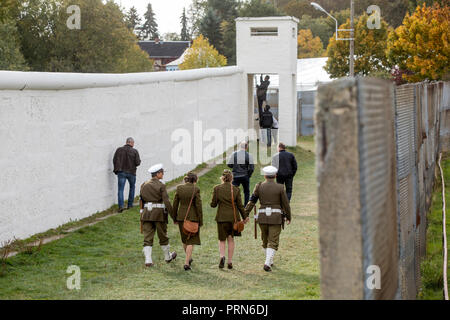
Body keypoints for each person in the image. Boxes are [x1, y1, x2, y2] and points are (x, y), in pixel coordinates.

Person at [244, 166, 292, 272]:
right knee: (273, 241)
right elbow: (286, 204)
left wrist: (245, 214)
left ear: (265, 175)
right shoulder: (280, 187)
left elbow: (252, 201)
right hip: (276, 218)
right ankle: (267, 263)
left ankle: (269, 261)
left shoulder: (259, 186)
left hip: (262, 217)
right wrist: (288, 216)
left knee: (265, 240)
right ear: (275, 176)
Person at [140, 164, 177, 267]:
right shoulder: (161, 185)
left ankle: (148, 260)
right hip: (159, 214)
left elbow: (142, 200)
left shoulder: (144, 184)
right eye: (162, 172)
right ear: (158, 174)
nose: (163, 174)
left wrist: (141, 213)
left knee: (147, 237)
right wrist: (173, 216)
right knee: (163, 236)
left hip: (146, 214)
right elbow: (167, 202)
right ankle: (167, 256)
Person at [210, 170, 249, 269]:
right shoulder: (235, 189)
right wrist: (245, 217)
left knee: (221, 239)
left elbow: (213, 205)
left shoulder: (217, 188)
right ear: (232, 178)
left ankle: (222, 256)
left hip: (221, 218)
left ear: (222, 178)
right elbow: (240, 205)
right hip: (233, 218)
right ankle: (230, 262)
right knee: (231, 239)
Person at [173, 172, 203, 271]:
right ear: (194, 180)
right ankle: (186, 263)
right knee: (191, 240)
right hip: (193, 218)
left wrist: (175, 218)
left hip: (181, 217)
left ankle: (189, 258)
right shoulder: (196, 189)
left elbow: (175, 204)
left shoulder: (179, 188)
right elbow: (198, 206)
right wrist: (200, 220)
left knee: (184, 239)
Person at [113, 137, 141, 212]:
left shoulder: (119, 150)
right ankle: (130, 205)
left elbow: (114, 160)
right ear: (131, 143)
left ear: (126, 142)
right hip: (131, 172)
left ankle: (121, 206)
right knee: (132, 187)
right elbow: (138, 163)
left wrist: (116, 170)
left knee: (120, 189)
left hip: (121, 172)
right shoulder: (135, 151)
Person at [227, 141, 254, 206]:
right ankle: (245, 206)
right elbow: (251, 168)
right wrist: (248, 175)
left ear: (239, 147)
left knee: (233, 191)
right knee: (246, 191)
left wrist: (234, 166)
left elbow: (229, 164)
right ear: (246, 147)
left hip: (235, 176)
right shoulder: (249, 155)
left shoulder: (234, 154)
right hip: (245, 175)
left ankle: (233, 204)